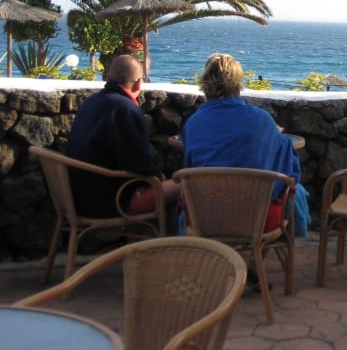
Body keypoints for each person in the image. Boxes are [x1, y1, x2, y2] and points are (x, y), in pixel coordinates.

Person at [182, 53, 310, 238]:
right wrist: (274, 136)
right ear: (237, 85)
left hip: (205, 217)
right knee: (294, 192)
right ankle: (255, 259)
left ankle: (204, 258)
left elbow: (190, 166)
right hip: (257, 219)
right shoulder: (261, 120)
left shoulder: (194, 123)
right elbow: (290, 171)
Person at [65, 54, 180, 230]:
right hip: (110, 201)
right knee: (184, 186)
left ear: (108, 77)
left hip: (75, 197)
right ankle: (170, 249)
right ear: (138, 84)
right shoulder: (125, 109)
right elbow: (142, 165)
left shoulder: (91, 101)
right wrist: (159, 177)